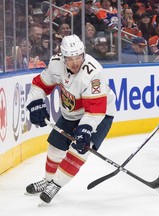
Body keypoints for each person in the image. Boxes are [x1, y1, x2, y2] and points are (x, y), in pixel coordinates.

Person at [24, 34, 116, 204]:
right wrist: (35, 102)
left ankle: (56, 184)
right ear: (63, 57)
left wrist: (86, 129)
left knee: (79, 149)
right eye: (70, 58)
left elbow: (95, 110)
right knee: (55, 146)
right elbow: (40, 85)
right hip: (71, 112)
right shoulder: (56, 63)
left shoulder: (93, 72)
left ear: (83, 54)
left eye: (78, 57)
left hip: (100, 114)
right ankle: (48, 180)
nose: (75, 62)